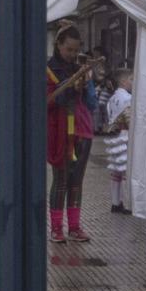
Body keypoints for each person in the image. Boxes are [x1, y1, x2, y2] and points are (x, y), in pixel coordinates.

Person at [46, 22, 96, 243]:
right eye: (69, 49)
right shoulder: (48, 69)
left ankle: (74, 227)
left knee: (77, 181)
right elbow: (47, 101)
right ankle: (56, 228)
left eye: (76, 50)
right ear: (58, 45)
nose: (73, 54)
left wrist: (86, 84)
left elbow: (90, 103)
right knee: (61, 180)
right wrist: (69, 86)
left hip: (82, 129)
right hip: (61, 131)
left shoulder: (80, 69)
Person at [104, 69, 131, 214]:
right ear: (124, 81)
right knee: (126, 171)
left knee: (116, 171)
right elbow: (130, 119)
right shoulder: (128, 98)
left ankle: (115, 203)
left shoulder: (112, 99)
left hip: (113, 136)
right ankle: (126, 204)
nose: (133, 82)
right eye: (131, 79)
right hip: (125, 135)